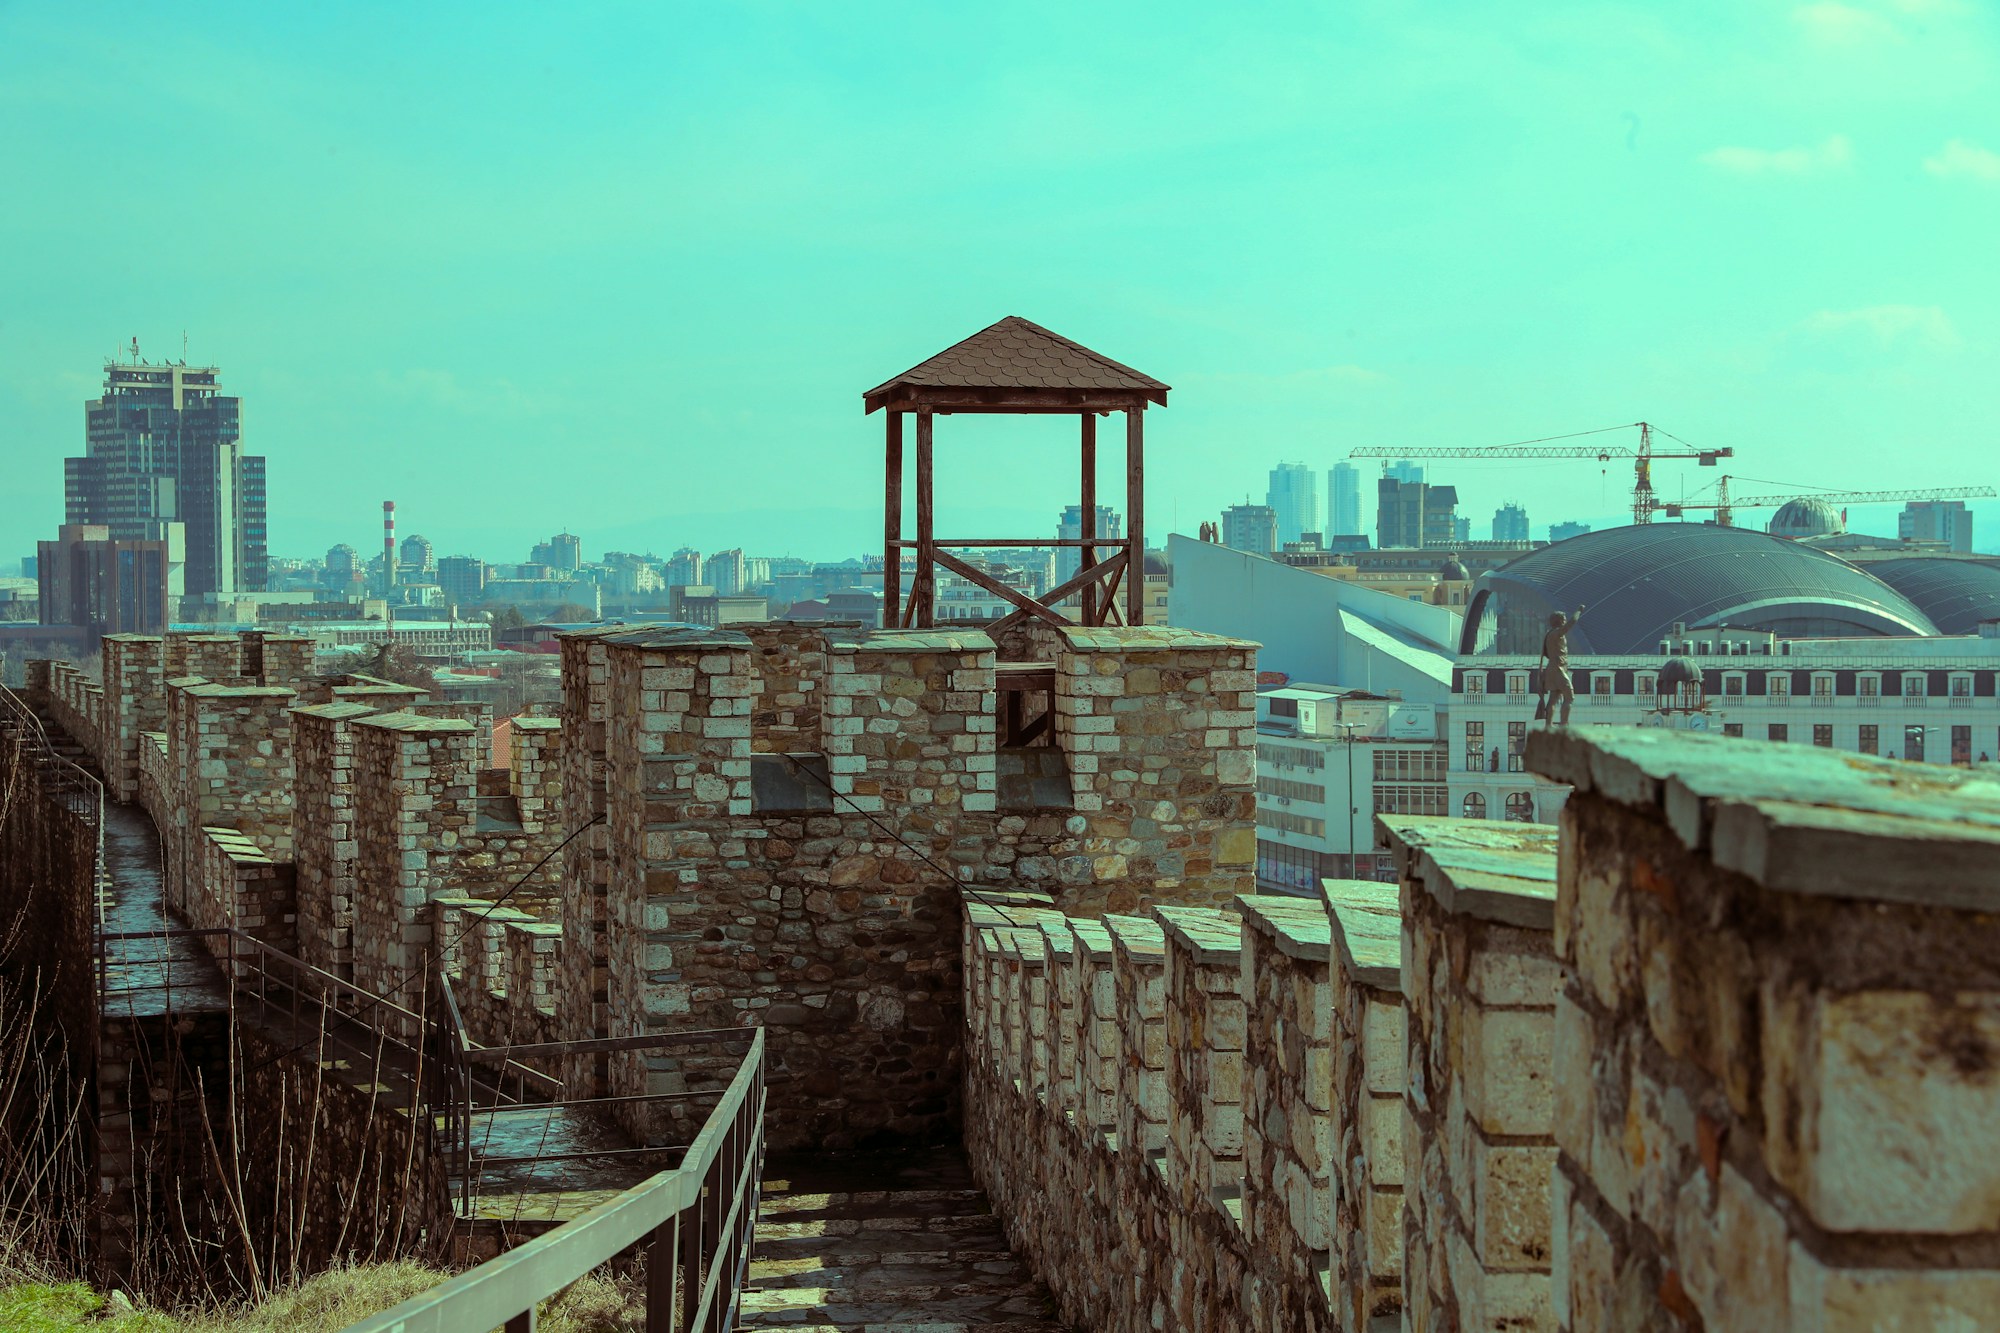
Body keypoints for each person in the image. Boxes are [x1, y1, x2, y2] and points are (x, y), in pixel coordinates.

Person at [1537, 605, 1587, 726]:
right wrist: (1579, 611)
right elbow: (1572, 622)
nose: (1565, 621)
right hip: (1558, 668)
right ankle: (1564, 724)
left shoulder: (1549, 634)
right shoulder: (1556, 633)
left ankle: (1549, 725)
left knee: (1553, 697)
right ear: (1558, 621)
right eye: (1563, 619)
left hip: (1552, 668)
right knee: (1569, 697)